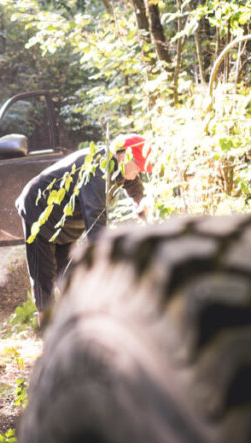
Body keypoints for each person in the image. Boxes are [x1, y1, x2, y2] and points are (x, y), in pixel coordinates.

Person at [15, 134, 154, 323]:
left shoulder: (117, 166)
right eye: (138, 166)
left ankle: (73, 330)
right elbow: (96, 226)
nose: (138, 172)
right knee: (44, 277)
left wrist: (140, 202)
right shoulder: (97, 174)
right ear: (124, 156)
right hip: (39, 211)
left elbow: (134, 185)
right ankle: (47, 337)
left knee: (71, 278)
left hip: (66, 224)